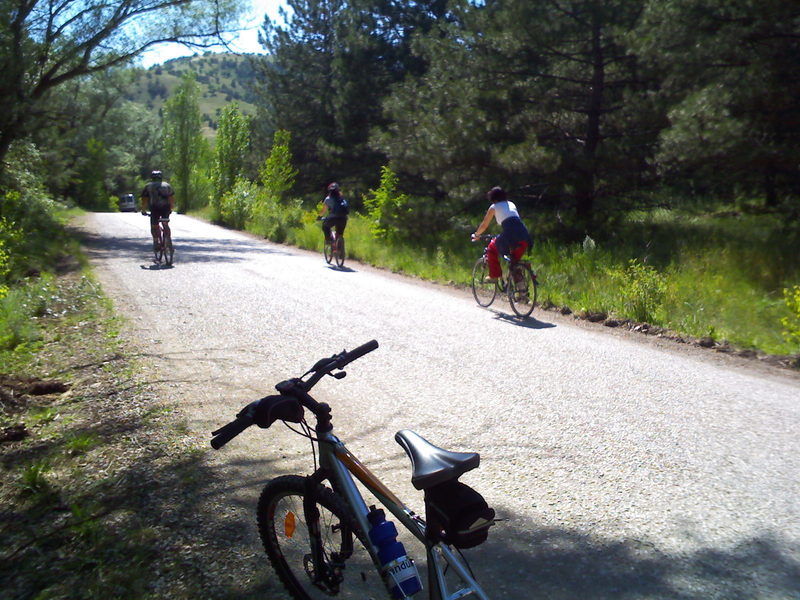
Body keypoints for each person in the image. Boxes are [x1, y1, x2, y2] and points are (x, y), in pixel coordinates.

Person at [471, 186, 533, 283]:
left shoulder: (494, 207)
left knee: (491, 248)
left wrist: (477, 234)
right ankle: (521, 292)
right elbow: (514, 222)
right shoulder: (511, 204)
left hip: (510, 234)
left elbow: (484, 225)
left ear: (493, 199)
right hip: (524, 235)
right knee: (514, 263)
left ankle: (494, 276)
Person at [140, 170, 175, 253]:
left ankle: (156, 242)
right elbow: (171, 197)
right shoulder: (167, 185)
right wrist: (171, 207)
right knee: (165, 223)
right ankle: (168, 241)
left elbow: (145, 199)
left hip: (154, 208)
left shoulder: (148, 186)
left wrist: (143, 209)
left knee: (154, 225)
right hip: (166, 208)